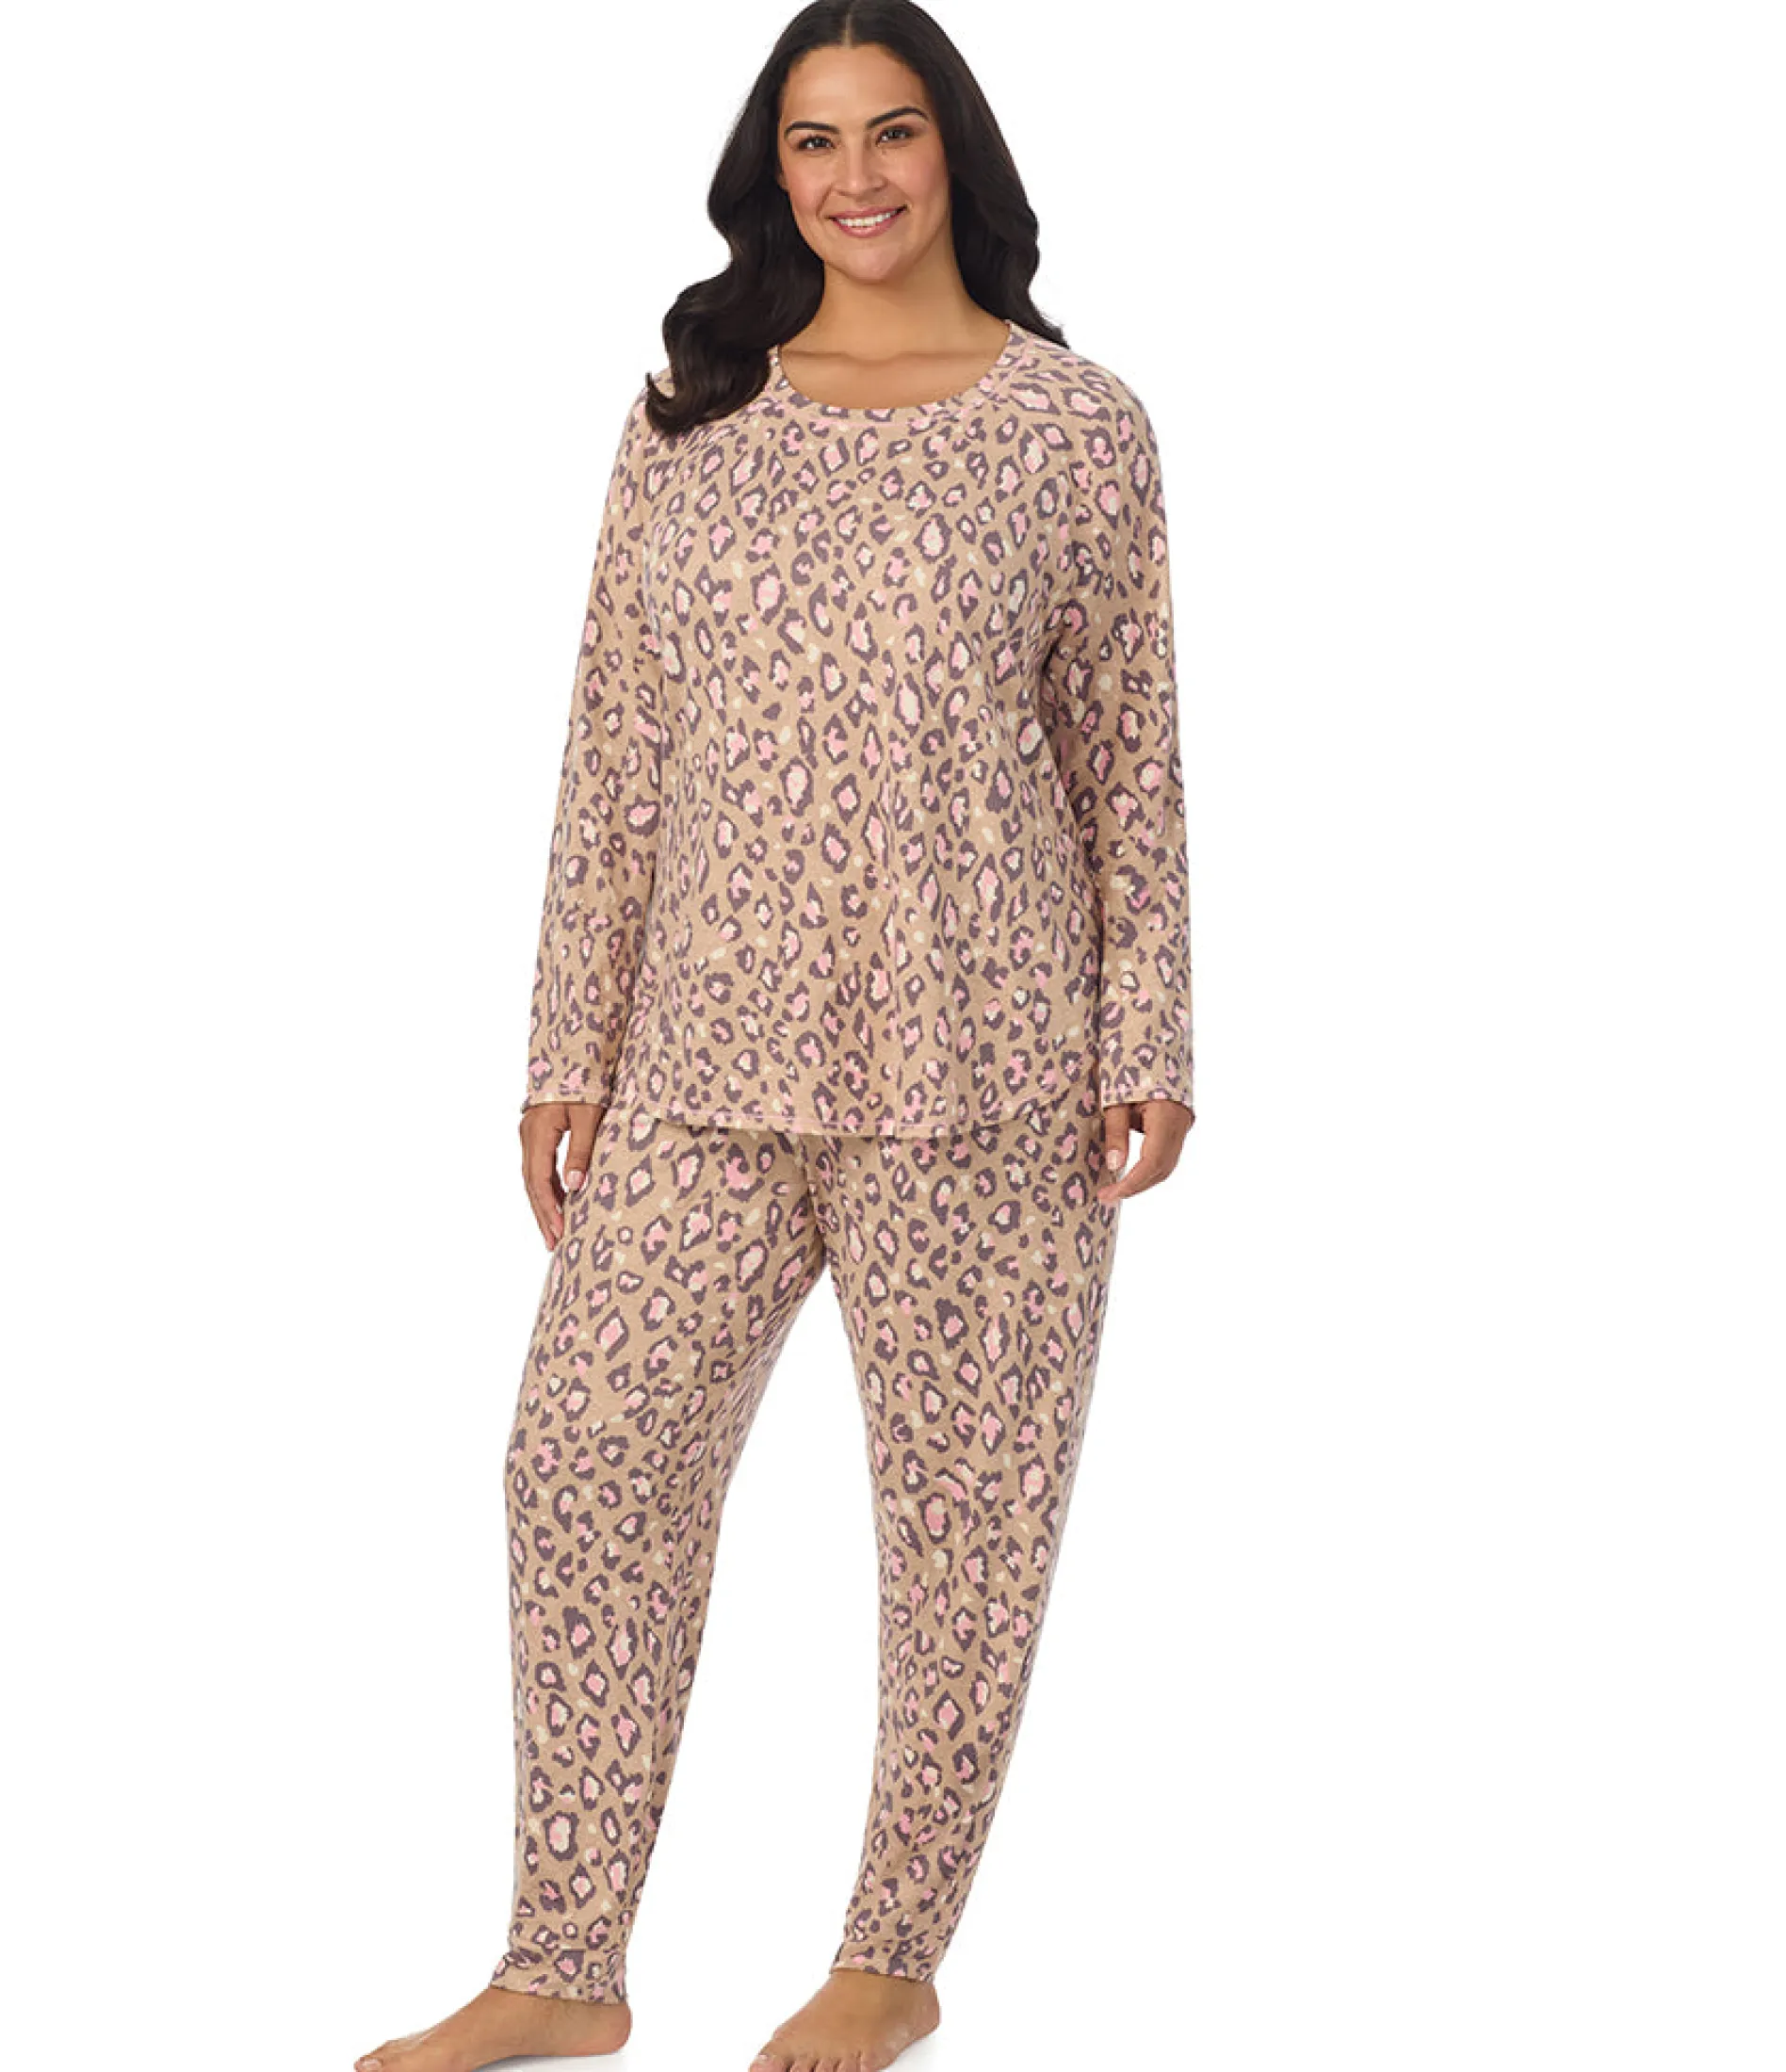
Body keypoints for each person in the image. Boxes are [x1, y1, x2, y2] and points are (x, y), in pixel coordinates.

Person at [355, 4, 1193, 2068]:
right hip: (701, 1057)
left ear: (952, 149)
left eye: (890, 131)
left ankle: (892, 1953)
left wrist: (1151, 1030)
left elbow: (1127, 754)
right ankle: (565, 1962)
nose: (854, 177)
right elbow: (615, 743)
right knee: (580, 1464)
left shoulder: (1078, 427)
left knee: (969, 1516)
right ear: (771, 173)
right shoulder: (687, 417)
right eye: (813, 142)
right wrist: (566, 1043)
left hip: (990, 1052)